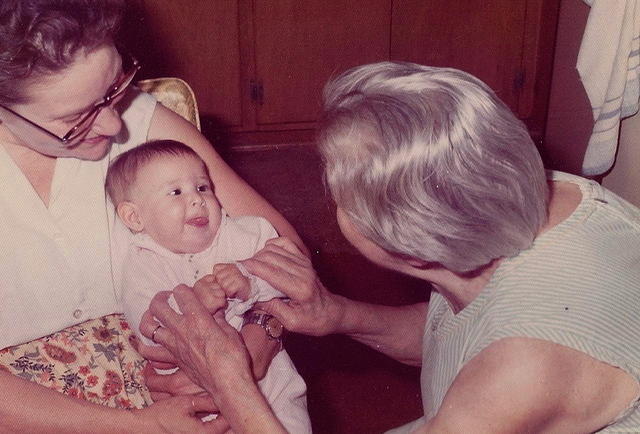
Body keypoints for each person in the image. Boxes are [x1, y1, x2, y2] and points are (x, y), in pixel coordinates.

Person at [143, 61, 640, 433]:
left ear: (415, 251)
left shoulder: (520, 373)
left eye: (338, 198)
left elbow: (501, 362)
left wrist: (229, 377)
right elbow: (468, 329)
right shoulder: (538, 192)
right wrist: (338, 315)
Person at [0, 0, 304, 431]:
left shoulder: (137, 119)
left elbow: (282, 250)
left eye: (113, 87)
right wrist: (143, 426)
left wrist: (257, 340)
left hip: (188, 387)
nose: (113, 124)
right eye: (75, 117)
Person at [105, 139, 311, 432]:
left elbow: (290, 280)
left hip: (273, 389)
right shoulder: (143, 264)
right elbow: (150, 333)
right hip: (201, 404)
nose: (197, 199)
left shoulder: (243, 234)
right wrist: (193, 304)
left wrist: (250, 282)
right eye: (175, 192)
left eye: (202, 187)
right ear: (135, 217)